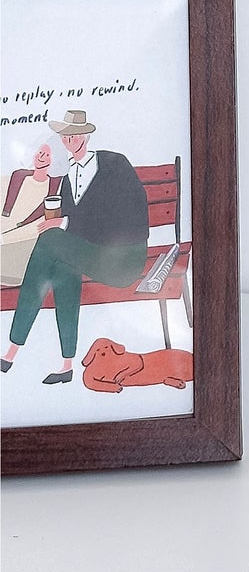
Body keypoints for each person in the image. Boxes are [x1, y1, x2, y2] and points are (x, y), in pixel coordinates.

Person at [1, 111, 149, 384]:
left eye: (76, 133)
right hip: (90, 256)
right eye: (66, 135)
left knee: (50, 242)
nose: (71, 139)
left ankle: (12, 349)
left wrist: (65, 222)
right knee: (62, 264)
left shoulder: (114, 164)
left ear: (87, 135)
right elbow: (75, 228)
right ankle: (66, 363)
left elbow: (126, 216)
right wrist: (61, 222)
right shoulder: (68, 178)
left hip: (123, 259)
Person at [1, 143, 63, 286]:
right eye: (40, 152)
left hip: (26, 245)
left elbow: (38, 227)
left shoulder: (55, 188)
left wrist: (5, 238)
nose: (41, 157)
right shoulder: (17, 177)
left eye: (47, 155)